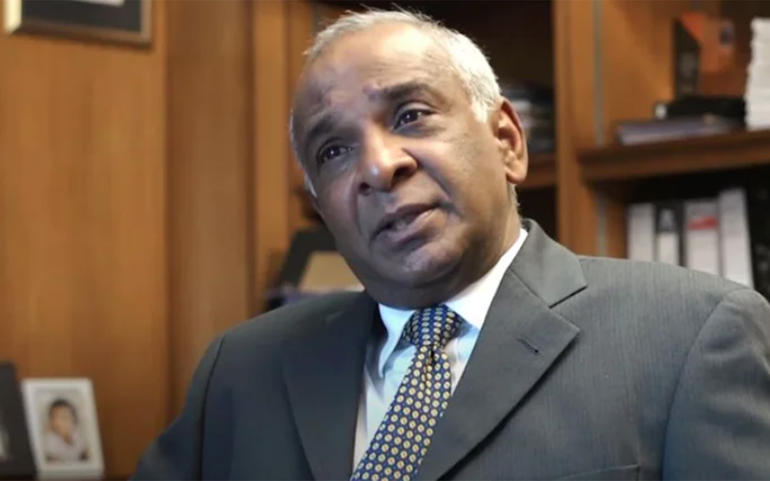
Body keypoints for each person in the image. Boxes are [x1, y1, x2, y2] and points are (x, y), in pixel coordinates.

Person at [133, 10, 770, 480]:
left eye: (410, 115)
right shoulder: (242, 370)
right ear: (322, 208)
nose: (379, 166)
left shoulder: (690, 336)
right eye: (333, 151)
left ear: (507, 141)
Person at [43, 398, 89, 463]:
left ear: (74, 420)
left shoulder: (79, 435)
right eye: (54, 418)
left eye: (64, 417)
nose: (58, 423)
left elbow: (85, 456)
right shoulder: (49, 442)